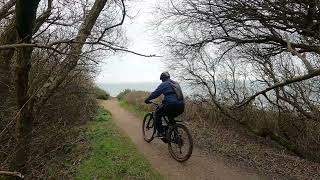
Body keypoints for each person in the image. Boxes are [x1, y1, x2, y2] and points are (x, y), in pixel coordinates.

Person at [144, 72, 185, 137]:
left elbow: (155, 94)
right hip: (181, 106)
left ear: (162, 79)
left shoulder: (164, 84)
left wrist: (147, 100)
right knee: (170, 117)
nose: (162, 81)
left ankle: (161, 132)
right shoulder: (176, 83)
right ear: (169, 77)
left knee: (157, 114)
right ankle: (176, 136)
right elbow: (175, 95)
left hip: (171, 105)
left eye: (161, 80)